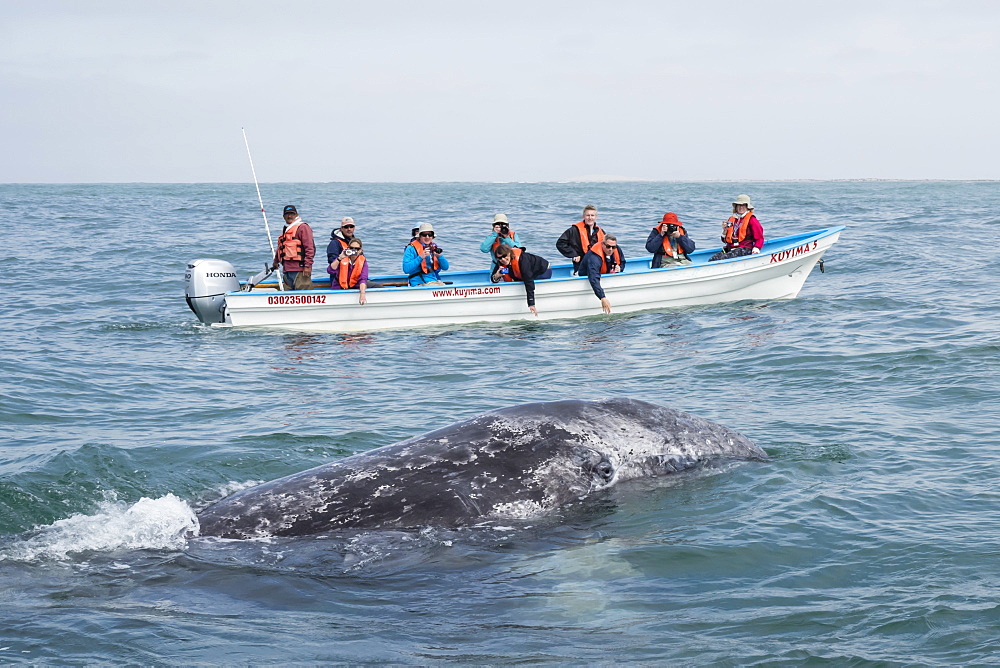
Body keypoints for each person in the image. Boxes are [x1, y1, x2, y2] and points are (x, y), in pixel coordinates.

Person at [491, 244, 552, 316]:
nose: (503, 259)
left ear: (509, 253)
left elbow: (529, 281)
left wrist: (531, 304)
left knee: (526, 281)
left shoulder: (523, 260)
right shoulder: (500, 262)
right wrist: (496, 276)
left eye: (504, 256)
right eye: (500, 258)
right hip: (524, 274)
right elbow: (493, 278)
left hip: (542, 271)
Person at [271, 204, 315, 290]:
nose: (289, 216)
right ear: (283, 216)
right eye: (287, 214)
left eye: (292, 214)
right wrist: (276, 261)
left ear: (296, 215)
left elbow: (310, 248)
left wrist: (307, 266)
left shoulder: (303, 227)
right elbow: (281, 247)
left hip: (301, 270)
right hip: (287, 270)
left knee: (304, 295)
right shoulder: (286, 230)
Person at [709, 194, 764, 261]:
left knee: (724, 259)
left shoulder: (752, 220)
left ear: (747, 207)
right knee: (712, 259)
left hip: (745, 248)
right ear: (736, 207)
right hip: (730, 248)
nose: (741, 207)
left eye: (743, 205)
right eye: (739, 205)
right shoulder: (732, 219)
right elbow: (724, 240)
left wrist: (756, 249)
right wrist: (724, 231)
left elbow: (760, 238)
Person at [579, 234, 625, 314]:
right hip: (588, 276)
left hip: (605, 273)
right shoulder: (594, 258)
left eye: (613, 247)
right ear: (603, 244)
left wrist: (620, 268)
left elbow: (622, 262)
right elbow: (593, 278)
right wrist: (602, 297)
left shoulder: (616, 249)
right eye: (608, 246)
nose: (611, 249)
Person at [556, 205, 604, 274]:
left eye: (592, 215)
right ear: (583, 216)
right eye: (588, 215)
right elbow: (560, 243)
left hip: (596, 265)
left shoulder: (600, 231)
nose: (590, 218)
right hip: (580, 265)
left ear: (596, 217)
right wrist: (573, 254)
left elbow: (608, 247)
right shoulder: (574, 230)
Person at [327, 238, 368, 305]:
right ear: (348, 248)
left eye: (356, 249)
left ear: (360, 250)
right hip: (339, 287)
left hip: (355, 287)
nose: (354, 251)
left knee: (376, 285)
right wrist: (340, 258)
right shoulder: (342, 259)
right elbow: (330, 270)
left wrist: (362, 294)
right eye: (351, 248)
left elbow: (363, 278)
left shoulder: (362, 261)